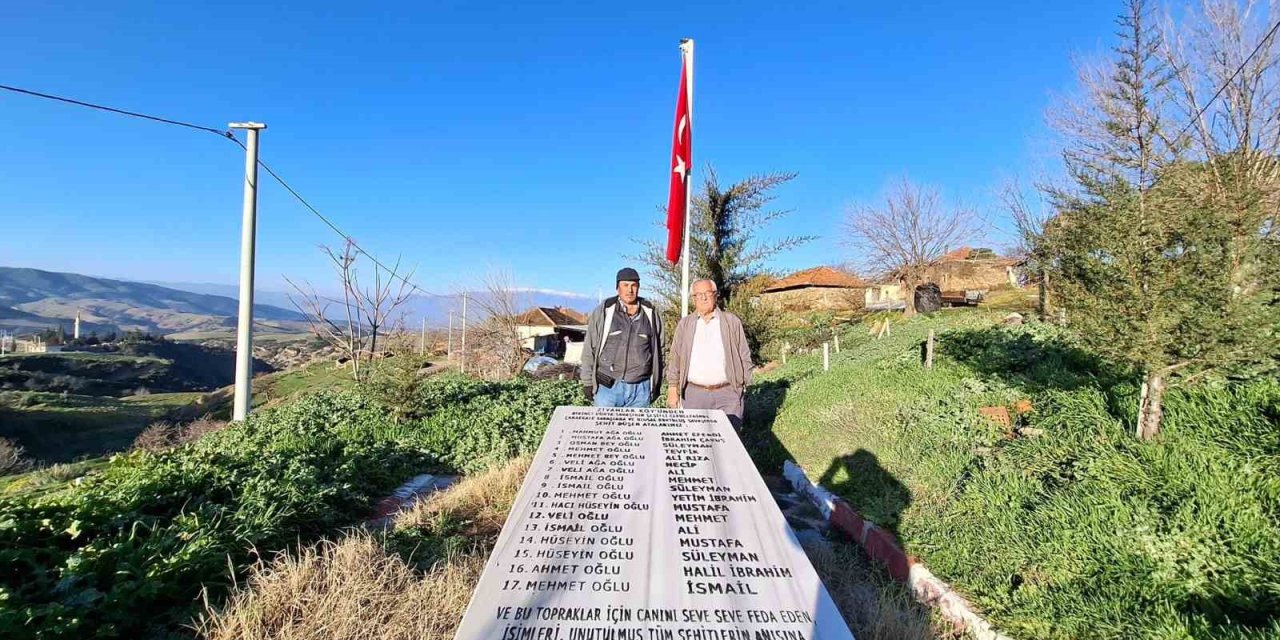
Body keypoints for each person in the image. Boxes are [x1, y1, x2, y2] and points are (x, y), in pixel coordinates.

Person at [665, 278, 753, 429]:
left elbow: (744, 355)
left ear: (715, 295)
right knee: (697, 444)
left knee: (730, 443)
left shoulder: (731, 322)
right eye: (699, 295)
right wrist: (673, 388)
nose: (703, 298)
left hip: (728, 394)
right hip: (694, 395)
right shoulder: (685, 325)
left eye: (707, 293)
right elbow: (675, 358)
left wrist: (742, 386)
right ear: (693, 299)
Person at [580, 267, 664, 407]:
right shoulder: (605, 311)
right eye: (625, 285)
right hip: (608, 388)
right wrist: (587, 382)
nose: (630, 290)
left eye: (634, 285)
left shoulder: (650, 312)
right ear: (617, 288)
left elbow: (661, 350)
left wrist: (657, 383)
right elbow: (590, 348)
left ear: (638, 287)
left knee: (637, 429)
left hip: (640, 390)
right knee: (604, 429)